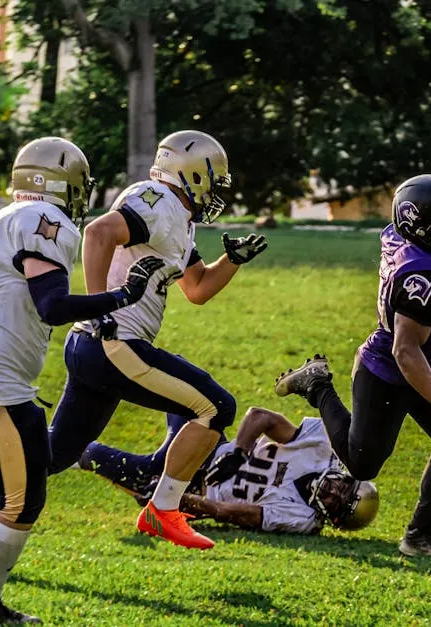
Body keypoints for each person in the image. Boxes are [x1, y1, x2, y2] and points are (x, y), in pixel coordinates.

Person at [0, 137, 164, 623]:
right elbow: (52, 305)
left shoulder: (6, 216)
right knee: (24, 500)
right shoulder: (43, 222)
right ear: (61, 184)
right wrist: (120, 296)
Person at [45, 130, 269, 551]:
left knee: (53, 455)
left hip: (96, 344)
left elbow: (197, 288)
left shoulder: (176, 215)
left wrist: (232, 261)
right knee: (215, 407)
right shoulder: (159, 201)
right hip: (114, 340)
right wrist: (101, 308)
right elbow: (98, 234)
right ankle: (162, 509)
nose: (217, 190)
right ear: (193, 175)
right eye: (215, 180)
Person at [274, 174, 431, 560]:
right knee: (362, 464)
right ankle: (317, 386)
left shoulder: (400, 234)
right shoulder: (422, 275)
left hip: (429, 360)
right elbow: (406, 350)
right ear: (418, 224)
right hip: (388, 370)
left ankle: (421, 535)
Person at [76, 407, 379, 535]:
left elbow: (227, 511)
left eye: (338, 501)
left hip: (197, 488)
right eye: (344, 487)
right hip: (211, 447)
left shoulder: (303, 519)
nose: (333, 491)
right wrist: (239, 452)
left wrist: (176, 498)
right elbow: (261, 417)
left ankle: (56, 450)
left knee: (95, 455)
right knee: (190, 389)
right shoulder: (321, 448)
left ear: (333, 518)